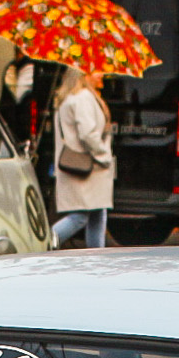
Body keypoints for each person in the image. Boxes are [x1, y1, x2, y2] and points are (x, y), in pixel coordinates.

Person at [50, 66, 114, 249]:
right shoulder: (83, 98)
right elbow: (87, 134)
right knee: (81, 216)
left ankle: (96, 257)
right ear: (83, 74)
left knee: (97, 213)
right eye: (97, 71)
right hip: (89, 165)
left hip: (85, 165)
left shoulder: (72, 97)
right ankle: (43, 244)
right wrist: (104, 154)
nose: (102, 74)